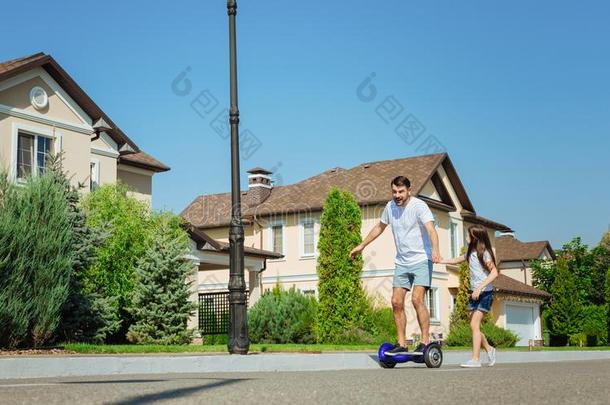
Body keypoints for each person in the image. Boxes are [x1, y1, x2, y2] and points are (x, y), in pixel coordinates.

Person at [350, 176, 441, 355]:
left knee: (417, 299)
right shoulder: (390, 208)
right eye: (394, 192)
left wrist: (436, 250)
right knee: (396, 302)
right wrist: (362, 245)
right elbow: (379, 227)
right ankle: (402, 343)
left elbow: (431, 229)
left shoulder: (419, 206)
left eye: (401, 192)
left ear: (409, 191)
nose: (397, 195)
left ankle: (424, 341)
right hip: (402, 261)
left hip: (422, 259)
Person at [440, 225, 498, 367]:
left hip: (485, 293)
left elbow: (494, 273)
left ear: (475, 237)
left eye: (467, 235)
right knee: (474, 327)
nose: (466, 237)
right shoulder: (470, 252)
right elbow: (458, 260)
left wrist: (479, 287)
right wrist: (442, 261)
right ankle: (489, 349)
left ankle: (476, 360)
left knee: (474, 325)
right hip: (475, 293)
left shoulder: (484, 254)